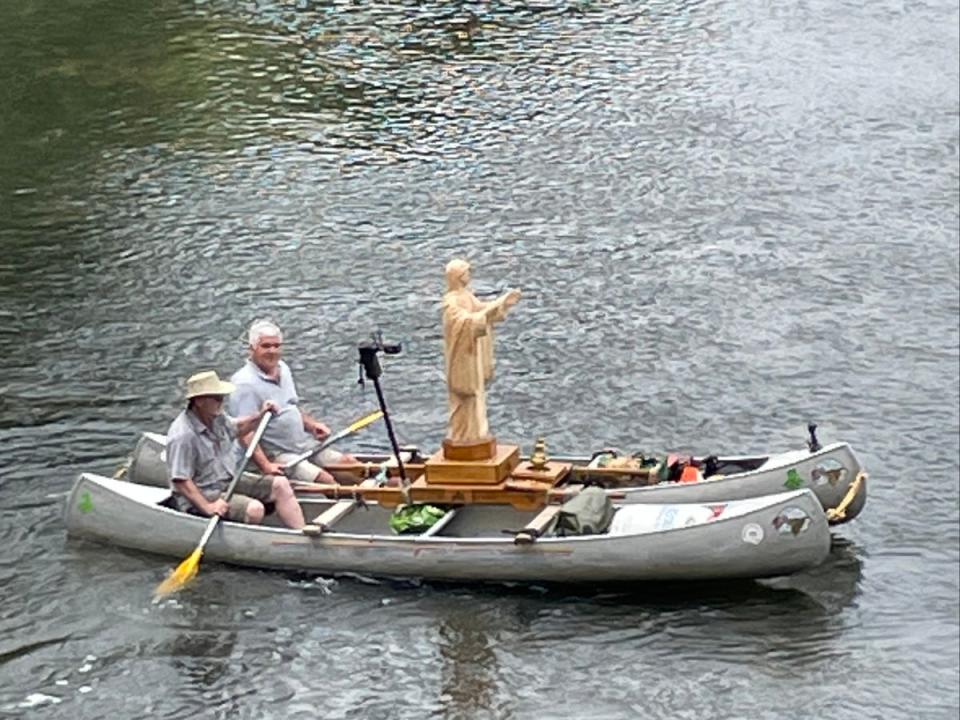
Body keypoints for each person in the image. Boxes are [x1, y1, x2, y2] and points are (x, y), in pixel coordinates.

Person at [165, 370, 305, 529]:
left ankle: (301, 534)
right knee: (255, 509)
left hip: (227, 480)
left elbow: (237, 428)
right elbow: (181, 481)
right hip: (202, 493)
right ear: (199, 401)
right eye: (217, 398)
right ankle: (246, 543)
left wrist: (261, 414)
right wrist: (208, 507)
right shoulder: (183, 435)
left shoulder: (216, 417)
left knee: (280, 484)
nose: (221, 402)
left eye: (222, 397)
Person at [228, 319, 358, 484]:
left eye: (277, 346)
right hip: (275, 455)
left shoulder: (283, 368)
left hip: (302, 445)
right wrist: (266, 465)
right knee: (325, 480)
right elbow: (245, 434)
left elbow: (291, 406)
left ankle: (373, 494)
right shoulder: (243, 383)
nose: (272, 351)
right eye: (266, 346)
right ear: (252, 349)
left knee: (349, 465)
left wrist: (312, 426)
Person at [442, 259, 521, 443]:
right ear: (458, 276)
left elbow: (481, 311)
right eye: (466, 273)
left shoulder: (467, 296)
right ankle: (462, 437)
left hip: (472, 355)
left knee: (476, 398)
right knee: (464, 399)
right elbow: (465, 322)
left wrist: (502, 303)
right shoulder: (451, 301)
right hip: (461, 356)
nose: (469, 276)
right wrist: (488, 311)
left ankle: (476, 435)